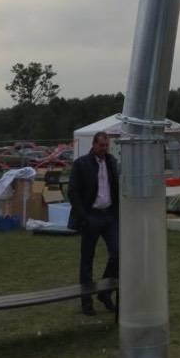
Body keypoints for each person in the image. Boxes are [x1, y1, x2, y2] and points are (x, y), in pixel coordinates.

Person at [68, 131, 118, 316]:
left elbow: (115, 186)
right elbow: (73, 191)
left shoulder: (111, 162)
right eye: (101, 145)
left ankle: (105, 293)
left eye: (107, 146)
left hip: (109, 215)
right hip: (91, 216)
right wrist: (84, 216)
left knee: (118, 254)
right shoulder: (81, 164)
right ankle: (86, 301)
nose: (104, 149)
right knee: (87, 259)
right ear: (94, 145)